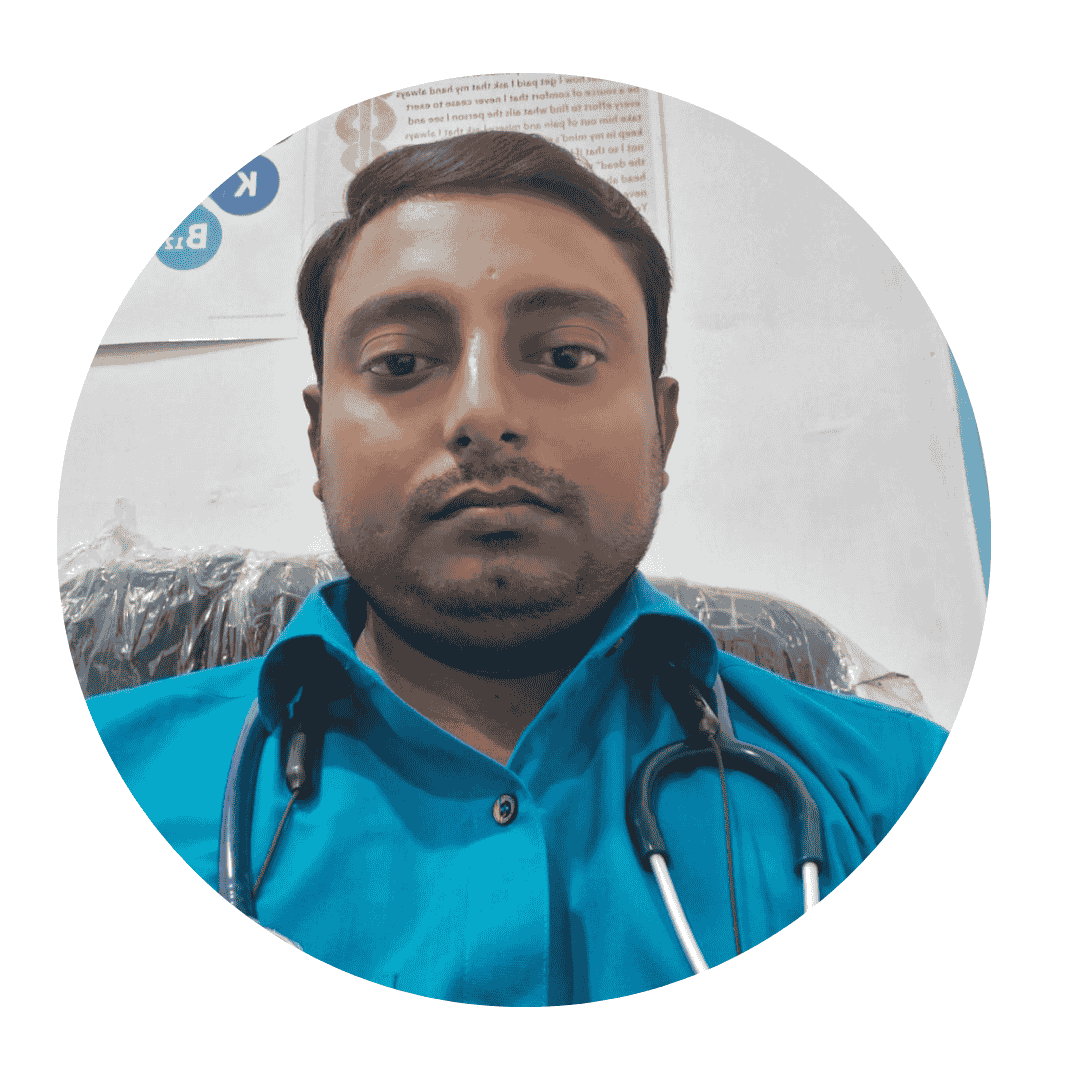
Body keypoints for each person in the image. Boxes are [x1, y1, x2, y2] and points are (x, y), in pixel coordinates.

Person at [86, 130, 948, 1006]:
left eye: (566, 356)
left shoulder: (906, 798)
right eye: (401, 363)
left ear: (662, 428)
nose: (482, 411)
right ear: (318, 441)